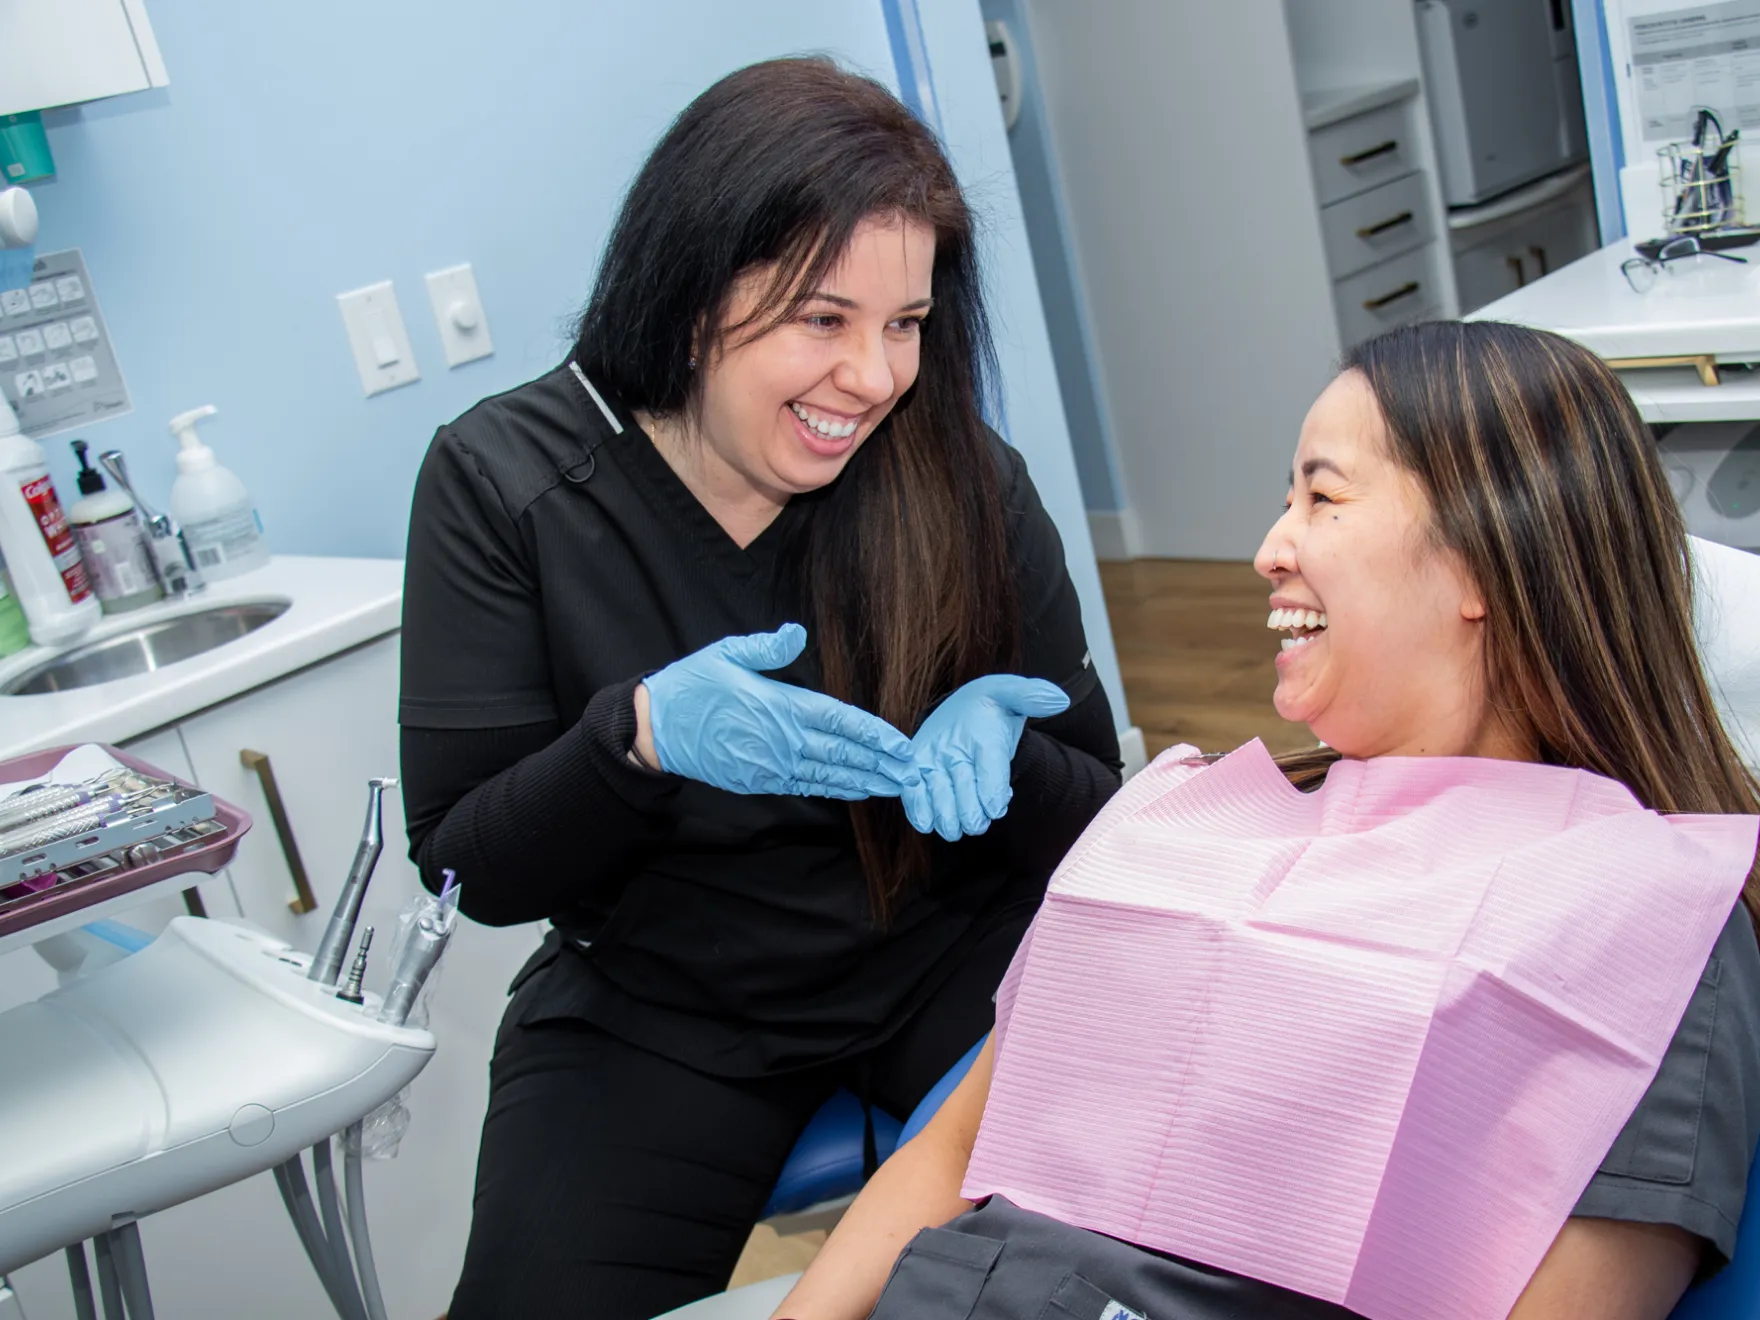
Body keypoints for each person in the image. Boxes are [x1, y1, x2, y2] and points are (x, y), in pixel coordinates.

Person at [777, 320, 1760, 1320]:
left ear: (1478, 563)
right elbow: (952, 1148)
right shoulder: (1190, 823)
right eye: (1281, 500)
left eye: (1320, 499)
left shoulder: (1648, 922)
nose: (1265, 550)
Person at [396, 57, 1122, 1319]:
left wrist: (1012, 767)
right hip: (662, 1010)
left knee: (1133, 1254)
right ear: (689, 294)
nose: (873, 379)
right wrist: (632, 744)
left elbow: (1104, 811)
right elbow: (470, 866)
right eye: (821, 320)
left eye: (904, 326)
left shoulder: (958, 475)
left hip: (949, 956)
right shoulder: (503, 484)